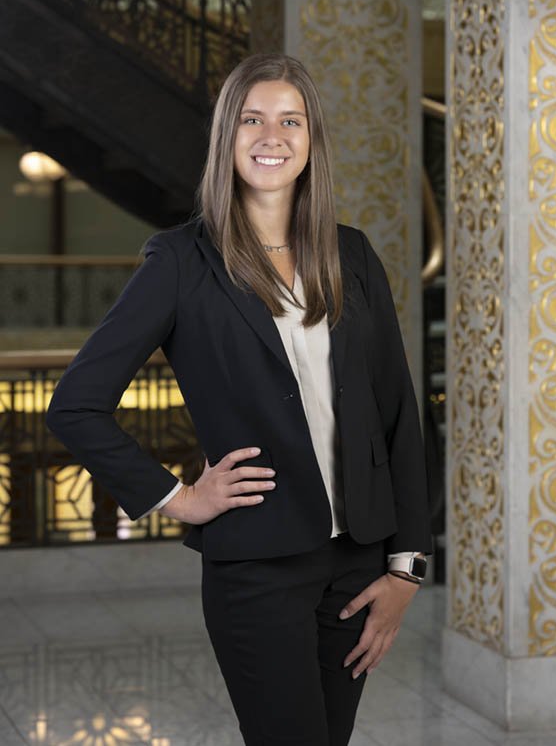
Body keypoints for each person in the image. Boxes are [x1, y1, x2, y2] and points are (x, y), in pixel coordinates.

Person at [46, 53, 431, 746]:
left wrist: (407, 568)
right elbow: (75, 404)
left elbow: (398, 416)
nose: (271, 135)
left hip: (360, 566)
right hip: (257, 569)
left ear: (312, 142)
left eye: (291, 120)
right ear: (227, 136)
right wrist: (177, 497)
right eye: (251, 119)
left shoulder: (353, 256)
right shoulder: (181, 262)